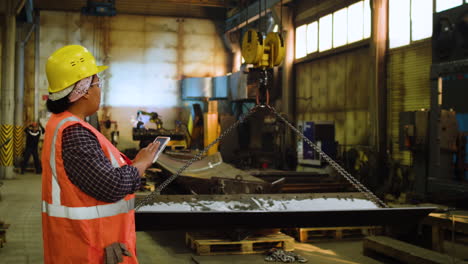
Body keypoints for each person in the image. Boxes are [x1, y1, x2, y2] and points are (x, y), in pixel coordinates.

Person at [41, 45, 159, 264]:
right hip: (88, 248)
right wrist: (141, 165)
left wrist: (130, 166)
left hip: (83, 244)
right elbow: (111, 186)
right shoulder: (74, 132)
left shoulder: (64, 125)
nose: (99, 89)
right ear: (83, 89)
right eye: (97, 83)